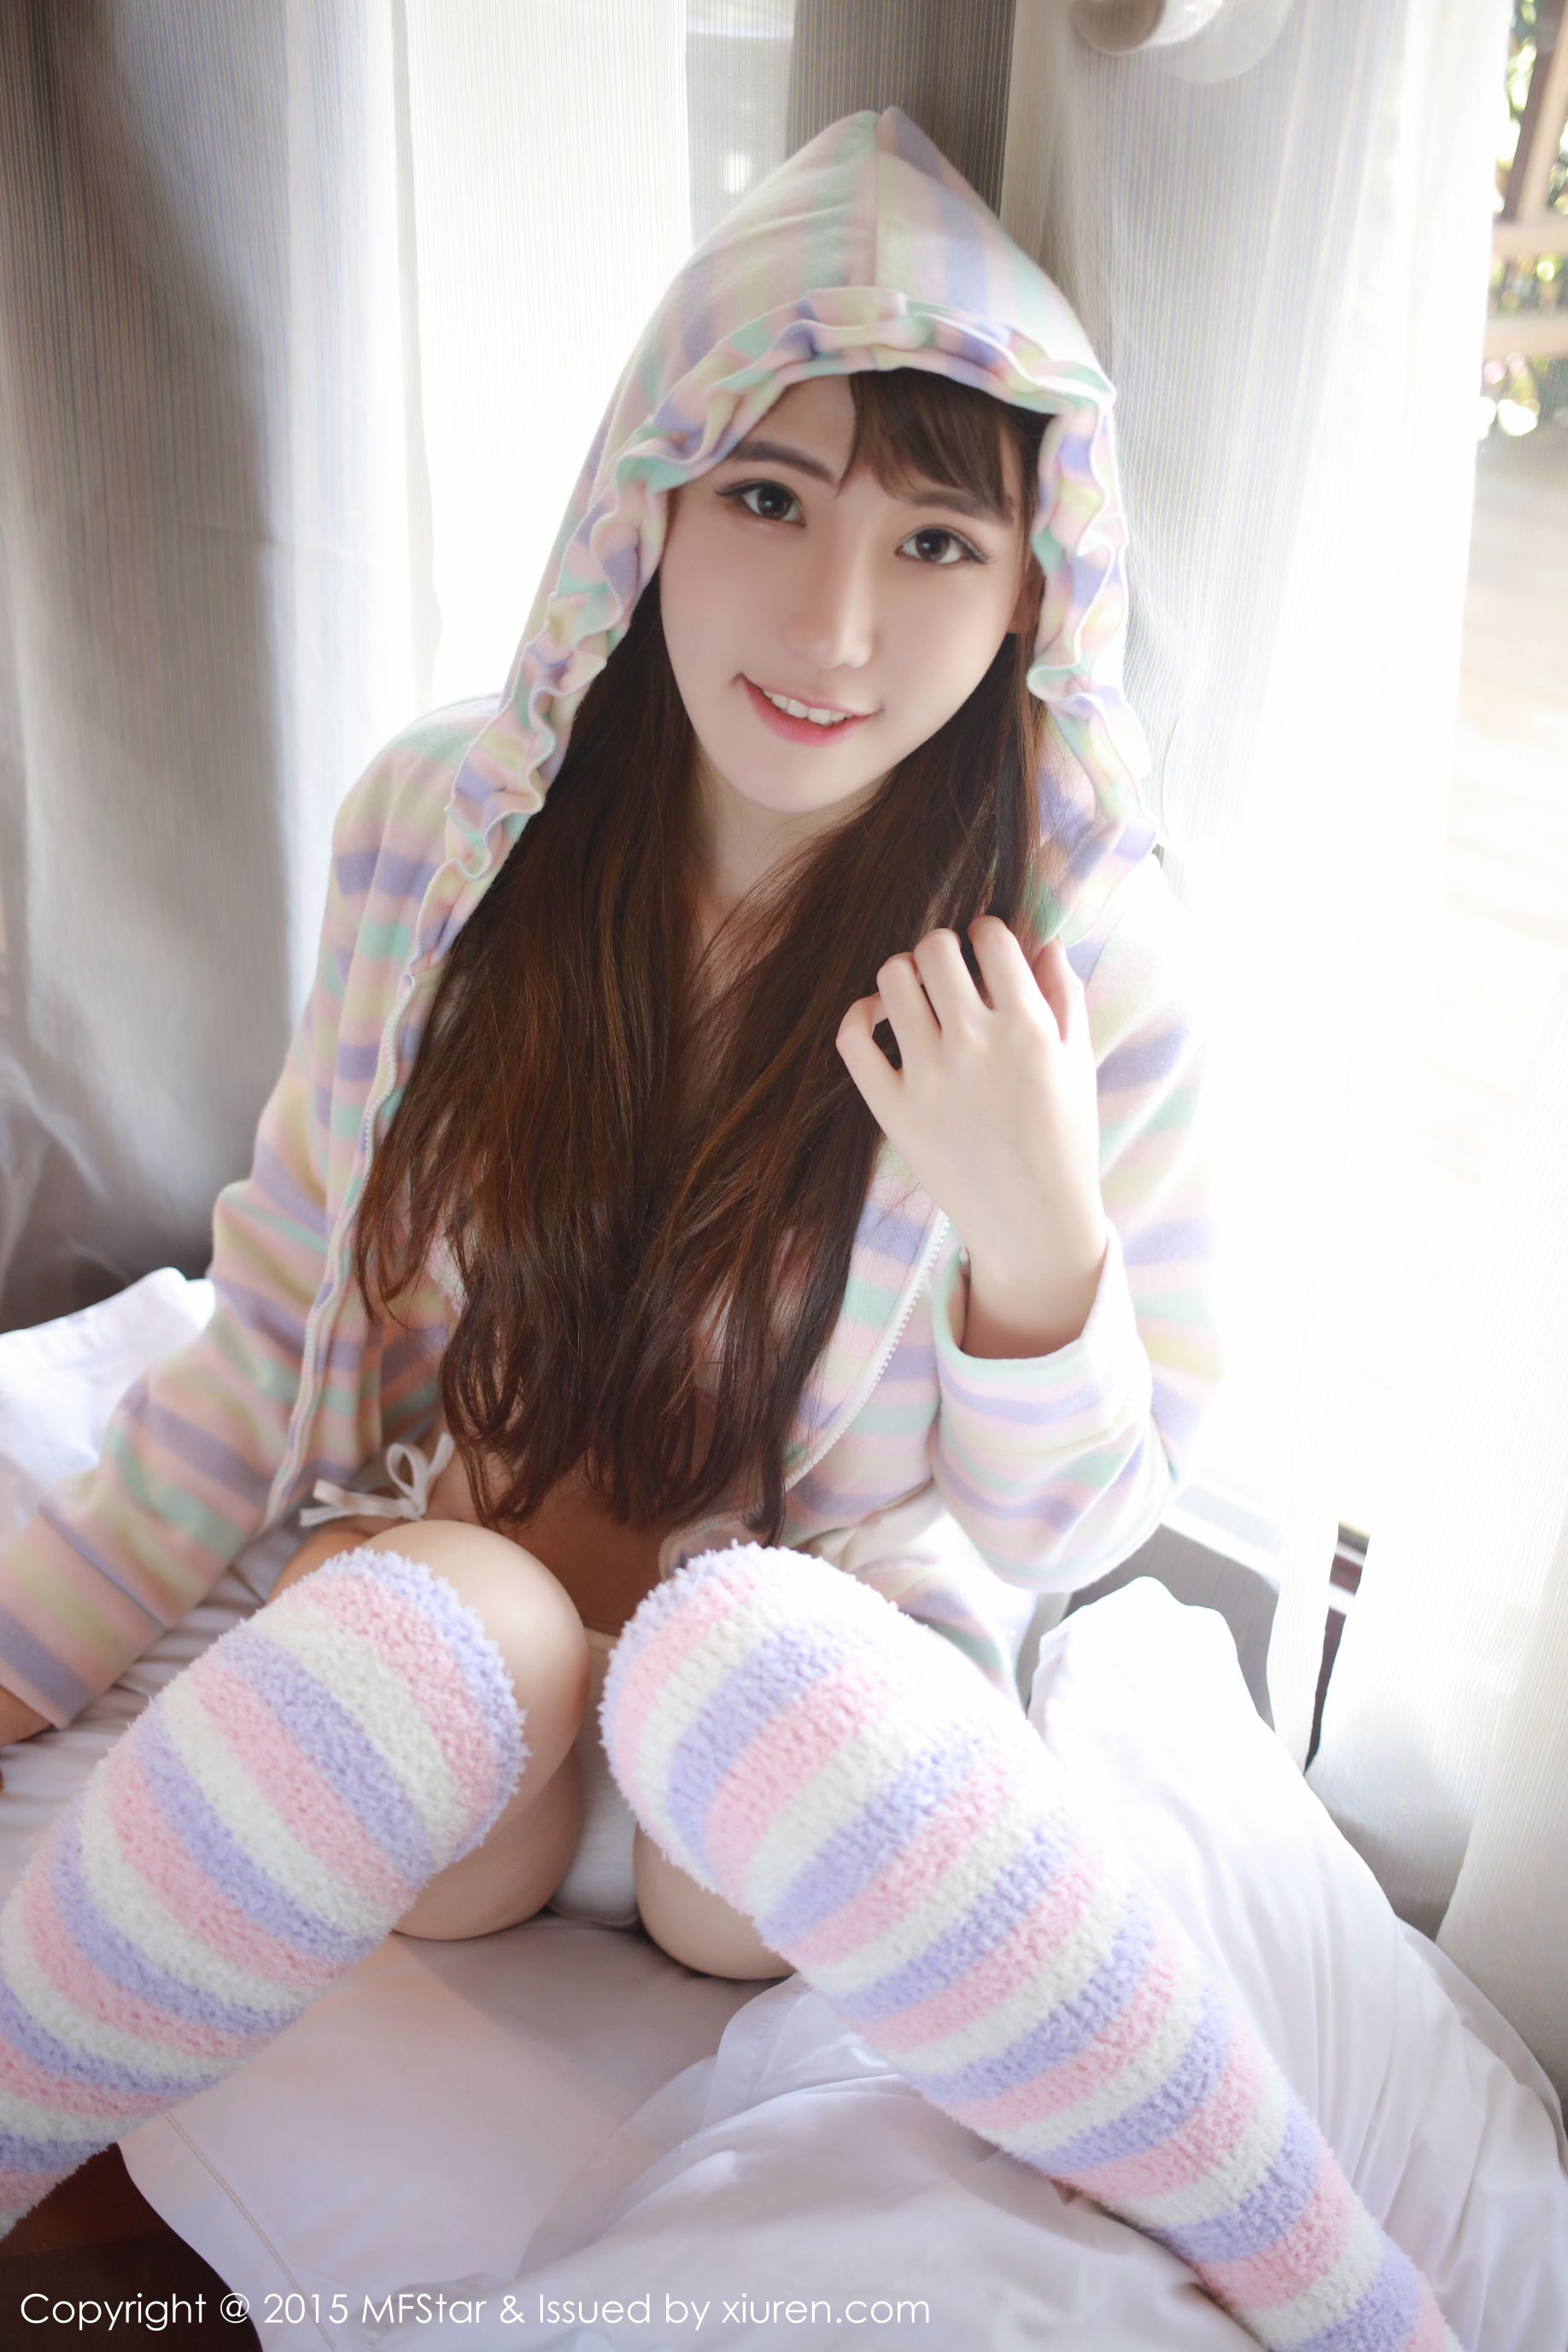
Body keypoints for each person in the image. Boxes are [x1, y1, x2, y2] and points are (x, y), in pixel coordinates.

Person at [0, 105, 1457, 2352]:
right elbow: (264, 1339)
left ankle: (1352, 2302)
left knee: (736, 1657)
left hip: (775, 1797)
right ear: (649, 501)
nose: (834, 625)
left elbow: (1065, 1534)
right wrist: (24, 1652)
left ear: (1034, 583)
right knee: (449, 1629)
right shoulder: (444, 839)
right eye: (767, 499)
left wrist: (1035, 1235)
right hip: (453, 1707)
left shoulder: (1082, 960)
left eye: (935, 540)